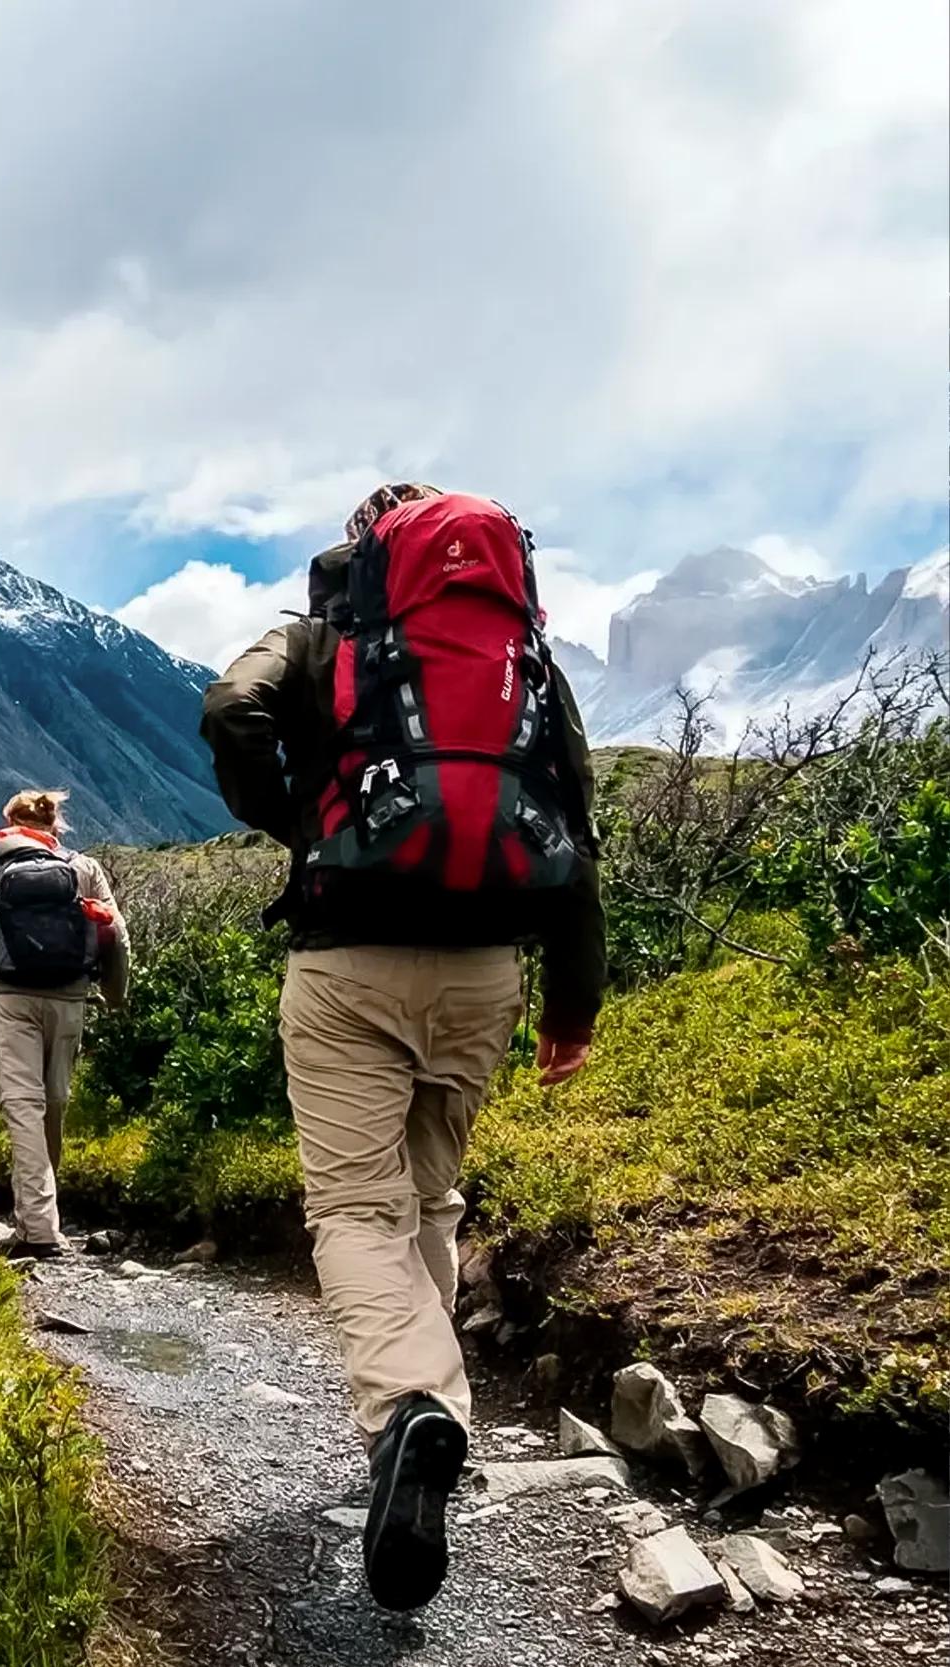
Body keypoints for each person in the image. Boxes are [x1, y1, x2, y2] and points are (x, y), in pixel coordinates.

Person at [201, 482, 604, 1613]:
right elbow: (572, 824)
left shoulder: (322, 635)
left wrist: (299, 821)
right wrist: (572, 1005)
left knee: (351, 1208)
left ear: (365, 549)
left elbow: (230, 707)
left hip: (348, 961)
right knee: (428, 1198)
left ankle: (408, 1413)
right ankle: (430, 1413)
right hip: (486, 969)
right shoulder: (523, 658)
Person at [0, 788, 131, 1255]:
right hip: (69, 1001)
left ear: (8, 822)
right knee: (53, 1105)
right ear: (55, 825)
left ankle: (39, 1230)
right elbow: (118, 938)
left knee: (23, 1109)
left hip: (7, 1002)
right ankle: (41, 1216)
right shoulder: (83, 870)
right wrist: (114, 995)